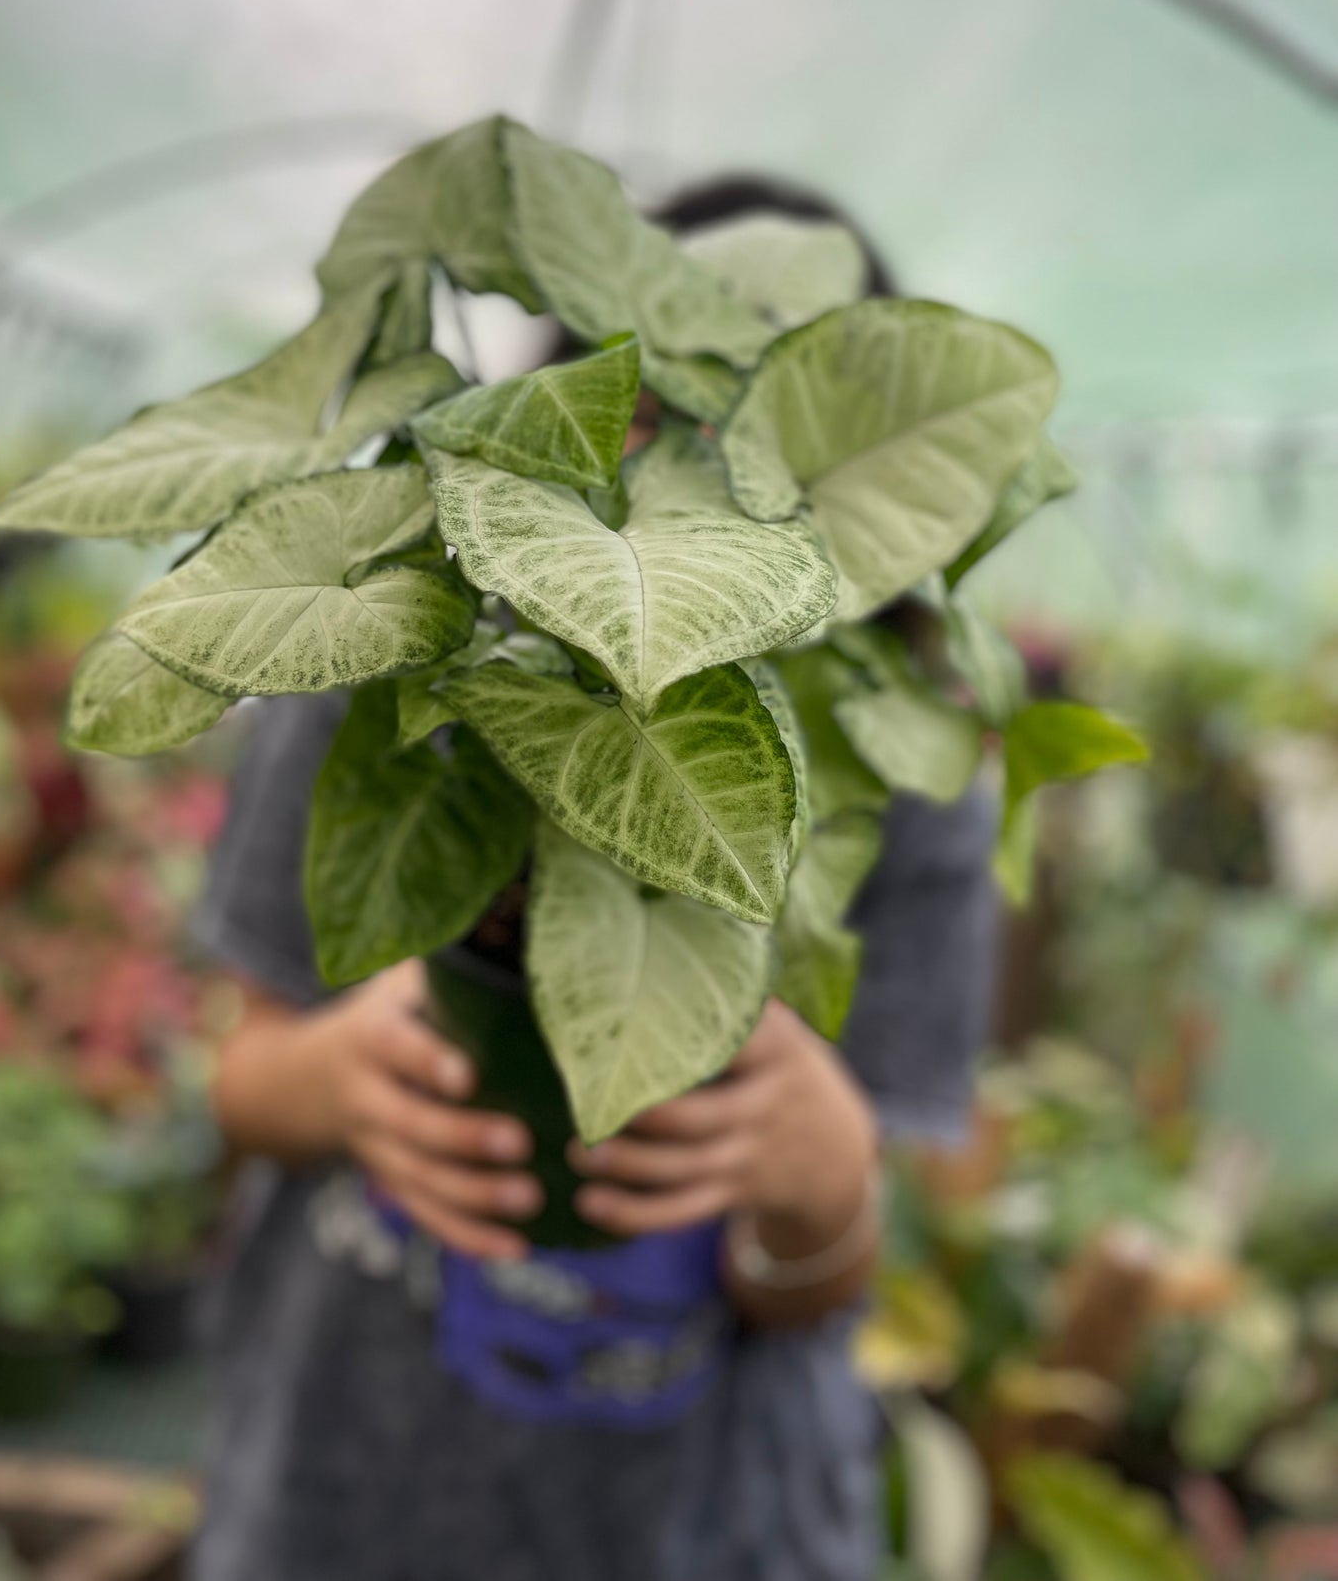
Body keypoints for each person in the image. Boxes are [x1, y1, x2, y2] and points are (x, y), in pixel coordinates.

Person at [191, 178, 998, 1581]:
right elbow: (239, 1074)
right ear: (574, 391)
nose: (707, 460)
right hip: (346, 1489)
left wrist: (818, 1186)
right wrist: (337, 1081)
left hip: (700, 1523)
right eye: (663, 397)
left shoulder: (906, 757)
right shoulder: (391, 643)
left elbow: (866, 1258)